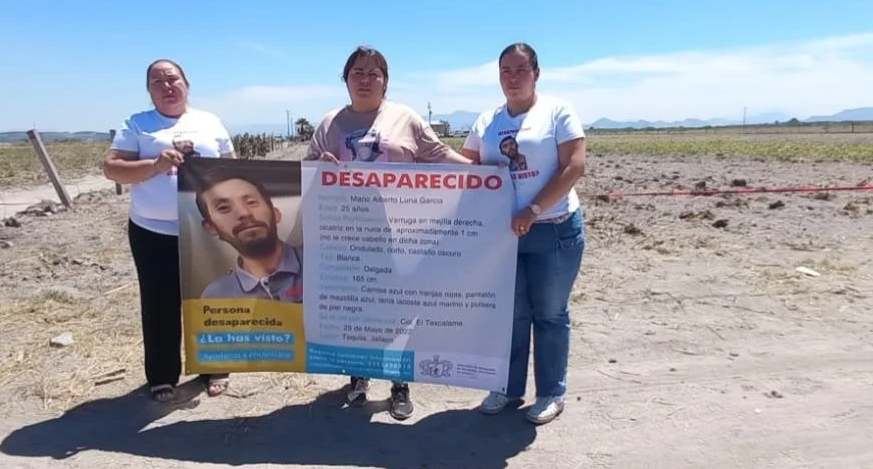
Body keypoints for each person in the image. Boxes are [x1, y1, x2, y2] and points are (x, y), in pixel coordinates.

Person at [305, 45, 472, 421]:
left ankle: (399, 384)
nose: (365, 80)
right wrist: (318, 164)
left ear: (385, 81)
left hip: (403, 238)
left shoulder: (405, 117)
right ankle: (359, 376)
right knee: (358, 310)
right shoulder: (330, 123)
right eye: (357, 73)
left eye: (373, 73)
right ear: (345, 80)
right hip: (349, 237)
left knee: (398, 311)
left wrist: (486, 175)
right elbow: (305, 172)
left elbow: (439, 154)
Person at [459, 42, 587, 425]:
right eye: (505, 72)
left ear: (536, 73)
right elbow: (462, 168)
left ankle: (550, 393)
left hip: (554, 231)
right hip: (504, 238)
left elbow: (574, 165)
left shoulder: (558, 113)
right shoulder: (486, 122)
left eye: (520, 70)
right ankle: (507, 387)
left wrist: (533, 210)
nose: (512, 79)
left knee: (549, 314)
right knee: (510, 315)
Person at [102, 58, 237, 403]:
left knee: (211, 297)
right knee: (159, 302)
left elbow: (234, 166)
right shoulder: (137, 125)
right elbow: (113, 168)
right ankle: (163, 375)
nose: (167, 86)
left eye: (172, 79)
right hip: (153, 230)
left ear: (186, 84)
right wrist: (155, 165)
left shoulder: (209, 122)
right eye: (157, 82)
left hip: (205, 228)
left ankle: (215, 366)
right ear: (149, 91)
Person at [194, 167, 304, 302]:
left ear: (275, 213)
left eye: (251, 202)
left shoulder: (323, 262)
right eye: (223, 208)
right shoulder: (215, 296)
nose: (244, 213)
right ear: (211, 227)